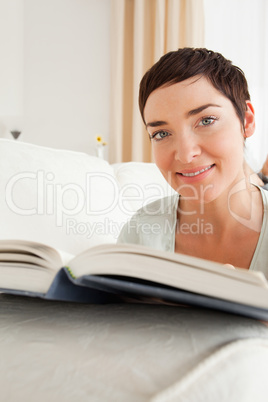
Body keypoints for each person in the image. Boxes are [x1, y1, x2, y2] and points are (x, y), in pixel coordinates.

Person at [117, 47, 268, 276]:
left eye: (206, 120)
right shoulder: (141, 233)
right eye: (162, 134)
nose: (186, 155)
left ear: (246, 121)